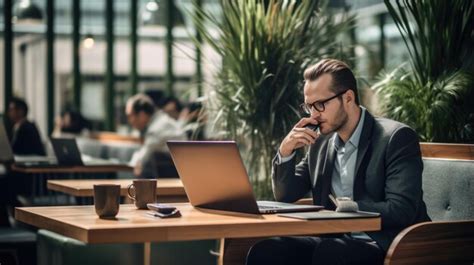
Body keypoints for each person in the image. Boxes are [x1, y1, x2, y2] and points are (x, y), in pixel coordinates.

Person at [246, 59, 430, 265]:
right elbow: (286, 193)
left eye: (320, 105)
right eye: (309, 107)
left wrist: (345, 210)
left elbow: (401, 209)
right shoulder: (320, 142)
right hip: (334, 241)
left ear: (348, 98)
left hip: (389, 245)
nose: (313, 115)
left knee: (331, 253)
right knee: (267, 251)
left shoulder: (395, 138)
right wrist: (285, 150)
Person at [125, 93, 187, 178]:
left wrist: (129, 166)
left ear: (142, 114)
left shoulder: (157, 127)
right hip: (176, 174)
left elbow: (140, 160)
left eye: (130, 116)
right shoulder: (160, 121)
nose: (130, 121)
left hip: (177, 177)